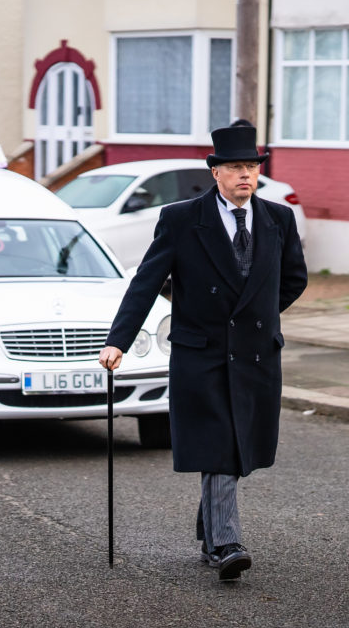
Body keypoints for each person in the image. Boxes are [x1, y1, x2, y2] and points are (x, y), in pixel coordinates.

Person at [98, 120, 307, 581]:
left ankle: (211, 529)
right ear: (215, 173)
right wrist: (119, 340)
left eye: (251, 166)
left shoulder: (278, 219)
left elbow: (295, 279)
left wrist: (259, 317)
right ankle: (226, 545)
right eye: (235, 168)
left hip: (255, 354)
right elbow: (147, 282)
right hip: (202, 353)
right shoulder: (180, 219)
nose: (245, 175)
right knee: (220, 446)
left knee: (238, 447)